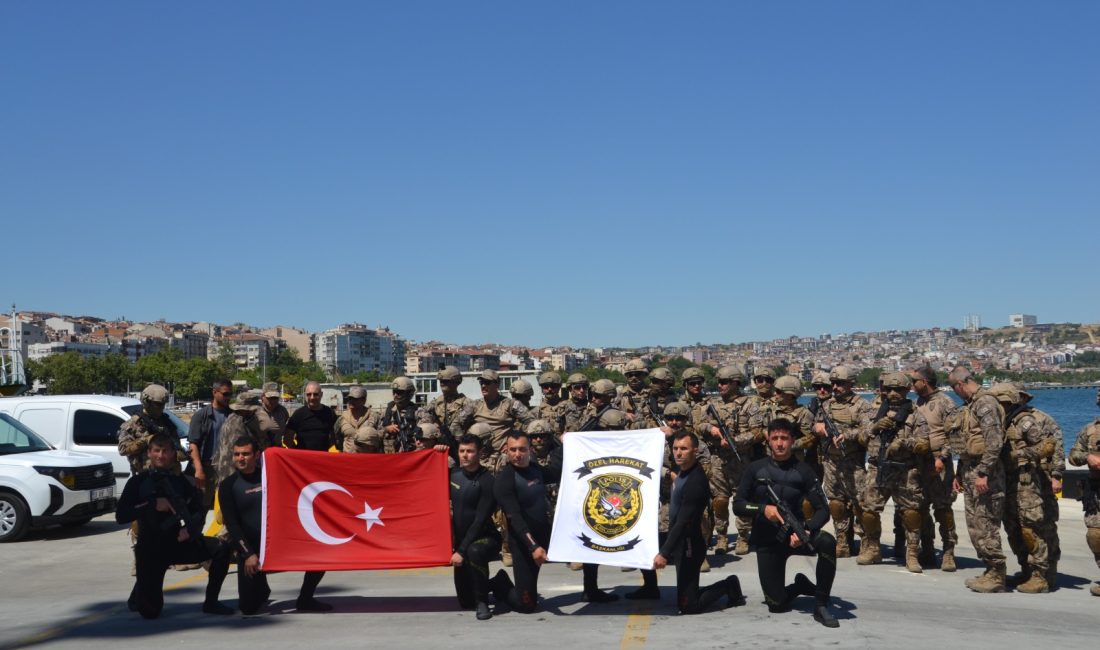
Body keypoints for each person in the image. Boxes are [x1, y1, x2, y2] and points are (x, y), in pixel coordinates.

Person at [734, 419, 839, 628]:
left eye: (784, 438)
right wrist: (763, 509)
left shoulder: (804, 471)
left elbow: (823, 510)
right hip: (767, 539)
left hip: (796, 535)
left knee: (827, 542)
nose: (779, 443)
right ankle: (799, 586)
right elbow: (738, 505)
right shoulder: (755, 469)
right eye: (775, 438)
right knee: (776, 604)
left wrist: (806, 531)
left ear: (792, 441)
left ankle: (820, 603)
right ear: (768, 440)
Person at [116, 434, 231, 618]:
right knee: (150, 612)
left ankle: (211, 602)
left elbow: (198, 512)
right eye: (156, 451)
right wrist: (152, 504)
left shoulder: (181, 482)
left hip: (177, 543)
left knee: (222, 548)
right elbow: (121, 515)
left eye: (165, 451)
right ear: (149, 453)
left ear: (172, 454)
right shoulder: (138, 482)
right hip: (150, 549)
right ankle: (140, 594)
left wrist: (189, 530)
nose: (161, 455)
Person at [218, 435, 331, 613]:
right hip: (251, 547)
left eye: (246, 454)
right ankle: (260, 585)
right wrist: (248, 554)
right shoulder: (227, 486)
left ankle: (306, 598)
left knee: (320, 553)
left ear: (257, 455)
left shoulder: (272, 476)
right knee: (249, 608)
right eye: (237, 454)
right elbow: (232, 524)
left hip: (280, 540)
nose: (241, 458)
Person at [653, 430, 745, 614]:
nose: (678, 453)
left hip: (690, 544)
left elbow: (683, 522)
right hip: (680, 541)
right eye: (675, 448)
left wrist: (664, 553)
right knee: (686, 595)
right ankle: (694, 593)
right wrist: (670, 435)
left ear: (695, 451)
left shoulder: (695, 482)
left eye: (684, 449)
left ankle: (729, 585)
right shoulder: (683, 469)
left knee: (688, 606)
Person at [989, 383, 1060, 593]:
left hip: (1026, 483)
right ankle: (1026, 569)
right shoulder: (1002, 421)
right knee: (1013, 529)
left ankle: (1041, 574)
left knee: (1031, 528)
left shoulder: (1025, 421)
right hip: (1007, 482)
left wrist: (1021, 455)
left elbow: (1047, 445)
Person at [855, 372, 926, 571]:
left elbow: (924, 443)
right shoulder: (874, 411)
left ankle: (912, 553)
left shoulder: (915, 413)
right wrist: (875, 427)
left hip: (905, 471)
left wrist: (903, 443)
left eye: (898, 389)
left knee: (911, 514)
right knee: (869, 512)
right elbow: (861, 438)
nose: (893, 394)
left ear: (907, 390)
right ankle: (873, 548)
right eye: (888, 389)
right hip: (879, 468)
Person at [947, 366, 1007, 593]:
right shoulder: (971, 406)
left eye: (955, 389)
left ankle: (996, 573)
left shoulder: (985, 404)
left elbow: (994, 442)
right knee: (975, 525)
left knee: (986, 524)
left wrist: (984, 473)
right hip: (970, 471)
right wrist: (959, 474)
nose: (956, 393)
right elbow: (965, 444)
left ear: (960, 385)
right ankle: (990, 569)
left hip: (985, 475)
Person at [490, 430, 561, 614]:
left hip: (543, 536)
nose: (517, 454)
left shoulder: (535, 469)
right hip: (523, 543)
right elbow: (515, 518)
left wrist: (563, 446)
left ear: (530, 450)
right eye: (513, 450)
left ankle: (592, 590)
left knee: (531, 596)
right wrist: (533, 547)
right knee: (527, 605)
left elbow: (556, 472)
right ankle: (501, 583)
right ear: (506, 450)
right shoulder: (504, 480)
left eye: (522, 449)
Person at [812, 366, 872, 558]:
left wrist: (848, 435)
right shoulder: (827, 405)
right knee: (836, 504)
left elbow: (868, 431)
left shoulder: (862, 405)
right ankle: (842, 541)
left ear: (851, 384)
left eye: (840, 384)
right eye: (834, 384)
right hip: (831, 462)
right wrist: (819, 428)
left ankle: (864, 541)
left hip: (853, 462)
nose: (835, 387)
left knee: (859, 504)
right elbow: (815, 425)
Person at [696, 366, 753, 556]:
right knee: (719, 501)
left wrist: (734, 441)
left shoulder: (749, 405)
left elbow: (757, 432)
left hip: (741, 458)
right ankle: (721, 536)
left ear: (736, 383)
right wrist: (711, 430)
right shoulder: (712, 405)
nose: (720, 386)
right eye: (719, 382)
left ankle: (743, 536)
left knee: (741, 501)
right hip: (718, 459)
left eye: (724, 382)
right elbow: (699, 425)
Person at [909, 366, 959, 571]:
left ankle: (948, 552)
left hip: (939, 463)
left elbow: (954, 435)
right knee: (920, 509)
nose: (912, 385)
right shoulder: (917, 403)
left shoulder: (945, 403)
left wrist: (943, 457)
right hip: (919, 462)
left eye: (915, 381)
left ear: (925, 382)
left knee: (943, 509)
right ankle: (927, 549)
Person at [449, 434, 501, 620]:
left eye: (470, 451)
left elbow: (480, 520)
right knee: (465, 602)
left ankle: (483, 602)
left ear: (479, 453)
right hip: (462, 541)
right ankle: (498, 583)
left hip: (485, 537)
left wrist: (461, 551)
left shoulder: (487, 480)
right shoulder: (453, 474)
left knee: (475, 551)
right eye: (462, 451)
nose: (465, 455)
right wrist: (436, 450)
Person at [1067, 387, 1100, 597]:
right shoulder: (1090, 430)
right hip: (1096, 492)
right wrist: (1088, 457)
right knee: (1095, 535)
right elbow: (1073, 455)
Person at [469, 369, 534, 468]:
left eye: (487, 383)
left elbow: (531, 421)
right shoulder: (474, 405)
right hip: (479, 456)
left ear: (496, 385)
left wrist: (515, 442)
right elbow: (456, 425)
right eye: (481, 382)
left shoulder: (510, 404)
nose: (483, 386)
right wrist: (467, 444)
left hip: (502, 457)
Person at [187, 378, 234, 510]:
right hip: (207, 469)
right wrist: (199, 469)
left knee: (226, 508)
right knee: (201, 508)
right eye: (225, 394)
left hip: (226, 468)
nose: (228, 397)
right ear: (214, 392)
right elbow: (193, 444)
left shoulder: (232, 416)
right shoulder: (201, 416)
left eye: (230, 394)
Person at [118, 383, 184, 475]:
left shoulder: (167, 423)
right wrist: (146, 440)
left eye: (163, 404)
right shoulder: (133, 424)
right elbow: (122, 449)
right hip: (145, 476)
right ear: (146, 402)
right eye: (157, 404)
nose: (161, 408)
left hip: (170, 475)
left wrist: (180, 453)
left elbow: (177, 447)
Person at [418, 365, 474, 446]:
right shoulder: (435, 403)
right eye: (441, 381)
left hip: (459, 446)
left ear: (456, 382)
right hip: (438, 446)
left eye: (446, 381)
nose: (442, 384)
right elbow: (421, 413)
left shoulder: (467, 403)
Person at [285, 381, 338, 452]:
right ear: (305, 395)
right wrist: (296, 452)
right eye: (309, 394)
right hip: (302, 458)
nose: (312, 397)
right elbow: (287, 439)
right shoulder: (298, 414)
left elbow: (335, 437)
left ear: (321, 395)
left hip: (322, 457)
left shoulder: (330, 413)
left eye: (315, 394)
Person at [380, 377, 420, 453]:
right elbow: (375, 434)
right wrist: (386, 429)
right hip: (390, 456)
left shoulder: (418, 412)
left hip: (411, 455)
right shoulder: (386, 412)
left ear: (409, 393)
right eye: (394, 392)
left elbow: (425, 437)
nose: (395, 395)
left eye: (399, 392)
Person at [339, 385, 383, 454]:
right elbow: (337, 439)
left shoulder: (374, 417)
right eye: (350, 398)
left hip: (368, 459)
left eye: (355, 399)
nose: (351, 401)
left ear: (364, 400)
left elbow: (380, 438)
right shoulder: (342, 418)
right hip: (348, 459)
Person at [255, 381, 289, 448]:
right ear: (262, 397)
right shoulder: (255, 412)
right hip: (260, 451)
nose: (273, 401)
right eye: (270, 398)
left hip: (277, 449)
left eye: (275, 397)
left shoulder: (283, 411)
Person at [536, 371, 567, 437]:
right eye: (546, 387)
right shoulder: (536, 411)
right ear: (542, 388)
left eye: (553, 386)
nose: (549, 389)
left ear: (559, 387)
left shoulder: (567, 406)